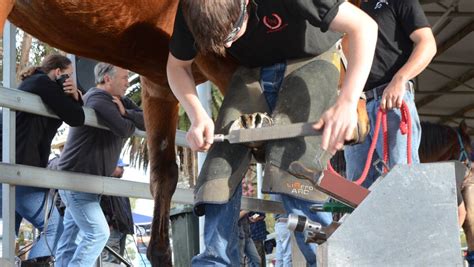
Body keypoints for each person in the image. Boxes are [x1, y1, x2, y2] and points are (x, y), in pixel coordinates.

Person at [167, 0, 378, 265]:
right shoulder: (193, 8)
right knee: (217, 171)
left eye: (232, 34)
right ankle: (215, 260)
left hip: (313, 57)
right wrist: (197, 115)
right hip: (252, 72)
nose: (229, 46)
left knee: (292, 168)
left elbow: (365, 27)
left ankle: (329, 258)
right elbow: (176, 67)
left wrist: (347, 101)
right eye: (219, 42)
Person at [54, 62, 145, 266]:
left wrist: (127, 112)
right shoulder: (96, 98)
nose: (127, 82)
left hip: (87, 182)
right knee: (98, 233)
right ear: (107, 79)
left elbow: (148, 119)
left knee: (70, 238)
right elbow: (123, 129)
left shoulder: (121, 101)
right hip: (75, 179)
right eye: (124, 77)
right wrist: (127, 118)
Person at [0, 54, 85, 261]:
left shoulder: (33, 84)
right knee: (55, 229)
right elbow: (77, 117)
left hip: (11, 167)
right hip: (23, 170)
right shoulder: (43, 84)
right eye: (69, 76)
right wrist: (76, 97)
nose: (72, 81)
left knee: (7, 235)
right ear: (58, 73)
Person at [343, 2, 436, 191]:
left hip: (390, 100)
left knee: (402, 181)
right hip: (356, 107)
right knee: (355, 190)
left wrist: (400, 78)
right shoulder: (345, 8)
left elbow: (427, 43)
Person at [100, 159, 135, 264]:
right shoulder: (105, 184)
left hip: (121, 228)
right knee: (110, 258)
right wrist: (108, 223)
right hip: (113, 228)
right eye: (120, 167)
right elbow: (103, 205)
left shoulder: (120, 186)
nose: (123, 170)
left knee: (117, 259)